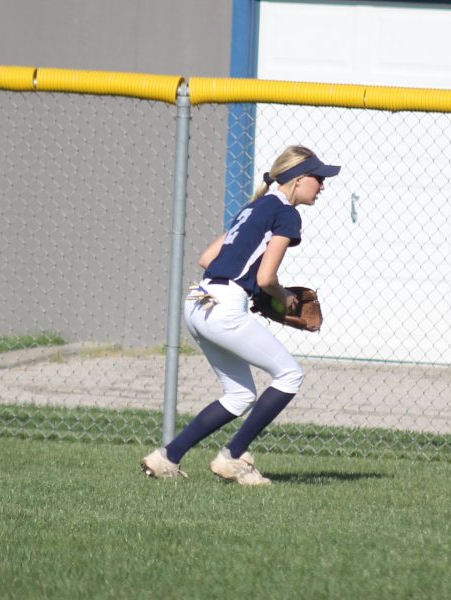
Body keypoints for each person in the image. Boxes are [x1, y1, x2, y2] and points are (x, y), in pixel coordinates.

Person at [141, 145, 341, 485]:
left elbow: (206, 258)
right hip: (225, 305)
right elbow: (265, 277)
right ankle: (232, 457)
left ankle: (167, 458)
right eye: (318, 178)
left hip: (198, 300)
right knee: (289, 375)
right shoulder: (287, 215)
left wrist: (252, 290)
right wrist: (283, 297)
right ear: (297, 179)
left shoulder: (255, 207)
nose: (322, 185)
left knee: (239, 394)